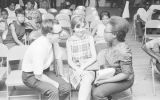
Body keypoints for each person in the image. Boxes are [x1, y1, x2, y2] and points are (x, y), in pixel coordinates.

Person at [22, 19, 71, 100]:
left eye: (61, 31)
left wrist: (62, 76)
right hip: (31, 75)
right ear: (49, 35)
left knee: (66, 87)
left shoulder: (54, 41)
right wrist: (55, 83)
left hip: (45, 71)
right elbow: (38, 75)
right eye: (58, 33)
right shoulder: (39, 48)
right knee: (53, 91)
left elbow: (58, 59)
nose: (62, 34)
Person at [92, 16, 134, 100]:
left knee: (96, 93)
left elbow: (126, 74)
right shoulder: (111, 43)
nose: (103, 33)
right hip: (112, 74)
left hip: (124, 80)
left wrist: (104, 81)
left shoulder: (123, 51)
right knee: (91, 84)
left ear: (115, 35)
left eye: (105, 31)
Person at [67, 16, 97, 100]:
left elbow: (94, 57)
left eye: (83, 27)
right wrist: (77, 69)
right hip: (75, 68)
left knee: (86, 80)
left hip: (88, 66)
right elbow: (70, 60)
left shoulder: (89, 38)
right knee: (86, 84)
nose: (81, 29)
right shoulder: (69, 41)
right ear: (73, 28)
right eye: (78, 27)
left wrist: (82, 68)